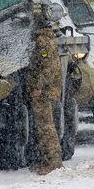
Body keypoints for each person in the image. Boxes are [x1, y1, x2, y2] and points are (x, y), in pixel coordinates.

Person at [27, 24, 64, 175]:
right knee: (43, 127)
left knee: (46, 127)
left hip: (44, 92)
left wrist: (38, 86)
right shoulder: (48, 39)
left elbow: (48, 68)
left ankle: (53, 162)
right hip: (47, 90)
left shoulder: (42, 41)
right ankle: (47, 161)